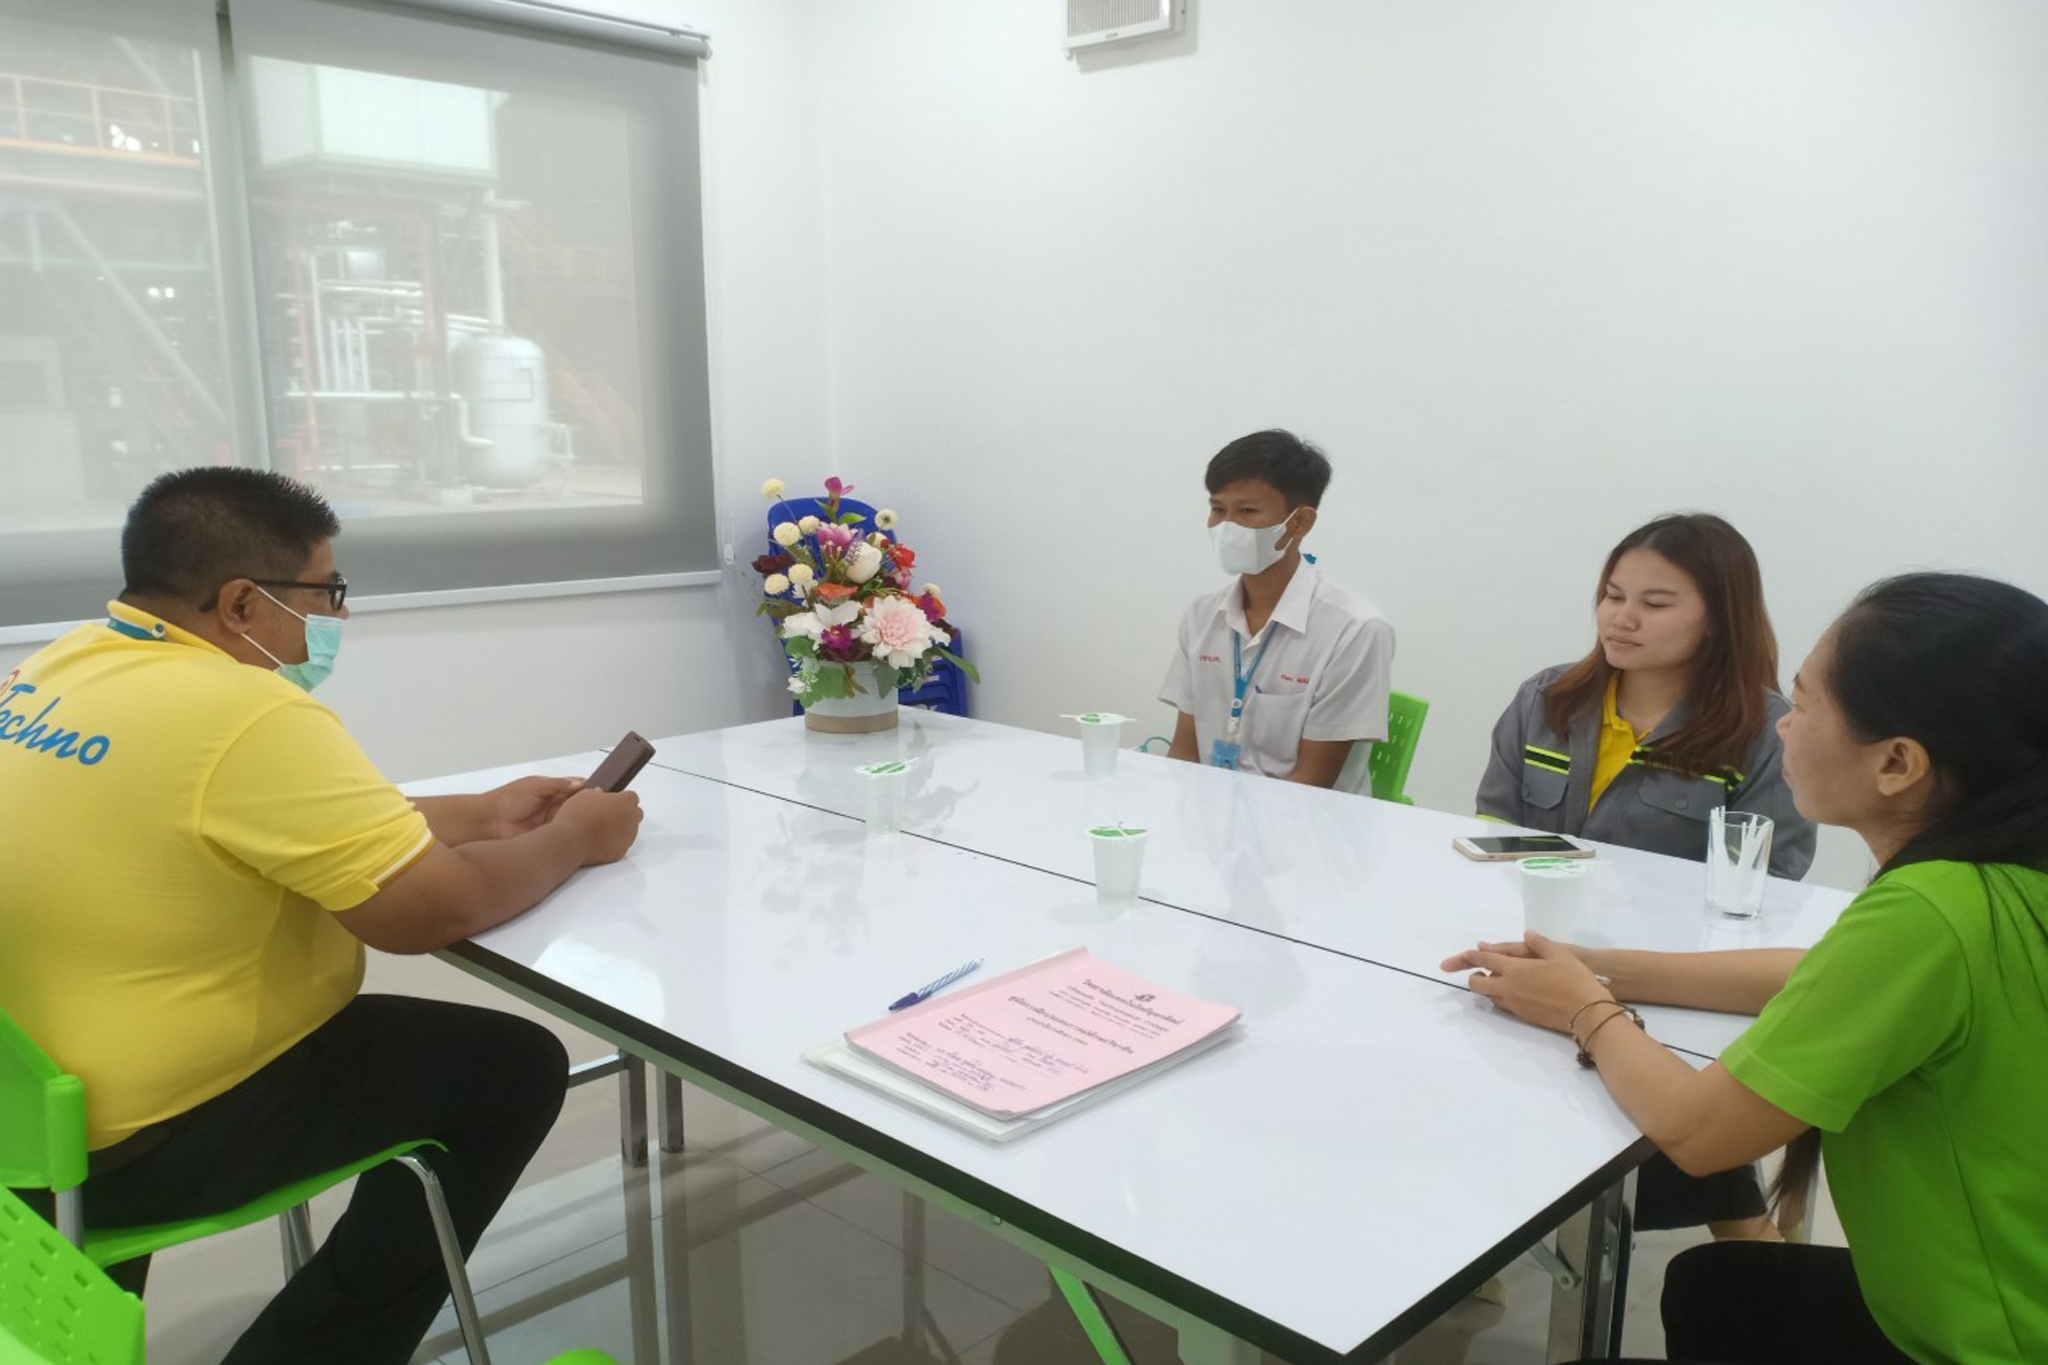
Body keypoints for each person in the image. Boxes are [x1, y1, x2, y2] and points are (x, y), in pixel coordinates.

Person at [0, 468, 644, 1365]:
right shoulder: (242, 710)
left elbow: (288, 823)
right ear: (240, 603)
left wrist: (490, 813)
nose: (333, 618)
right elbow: (430, 911)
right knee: (514, 1067)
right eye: (325, 593)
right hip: (141, 1139)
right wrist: (575, 838)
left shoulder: (62, 667)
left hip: (27, 1109)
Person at [1444, 572, 2048, 1365]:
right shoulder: (2001, 875)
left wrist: (1585, 1008)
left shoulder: (1926, 915)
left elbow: (1699, 1134)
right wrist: (1599, 966)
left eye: (1806, 706)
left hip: (1982, 1339)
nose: (1786, 727)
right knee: (1719, 1283)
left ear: (1898, 762)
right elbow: (1819, 971)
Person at [1475, 512, 1817, 1241]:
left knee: (1669, 1084)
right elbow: (1493, 824)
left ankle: (1750, 1247)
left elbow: (1774, 879)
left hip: (1677, 978)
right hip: (1541, 944)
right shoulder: (1547, 699)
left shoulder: (1763, 731)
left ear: (1718, 620)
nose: (1621, 618)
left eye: (1655, 603)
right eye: (1612, 594)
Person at [1160, 429, 1395, 789]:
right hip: (1208, 817)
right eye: (1217, 509)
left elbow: (1311, 786)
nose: (1227, 526)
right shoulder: (1201, 616)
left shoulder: (1356, 630)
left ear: (1300, 522)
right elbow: (1184, 752)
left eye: (1247, 511)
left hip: (1305, 829)